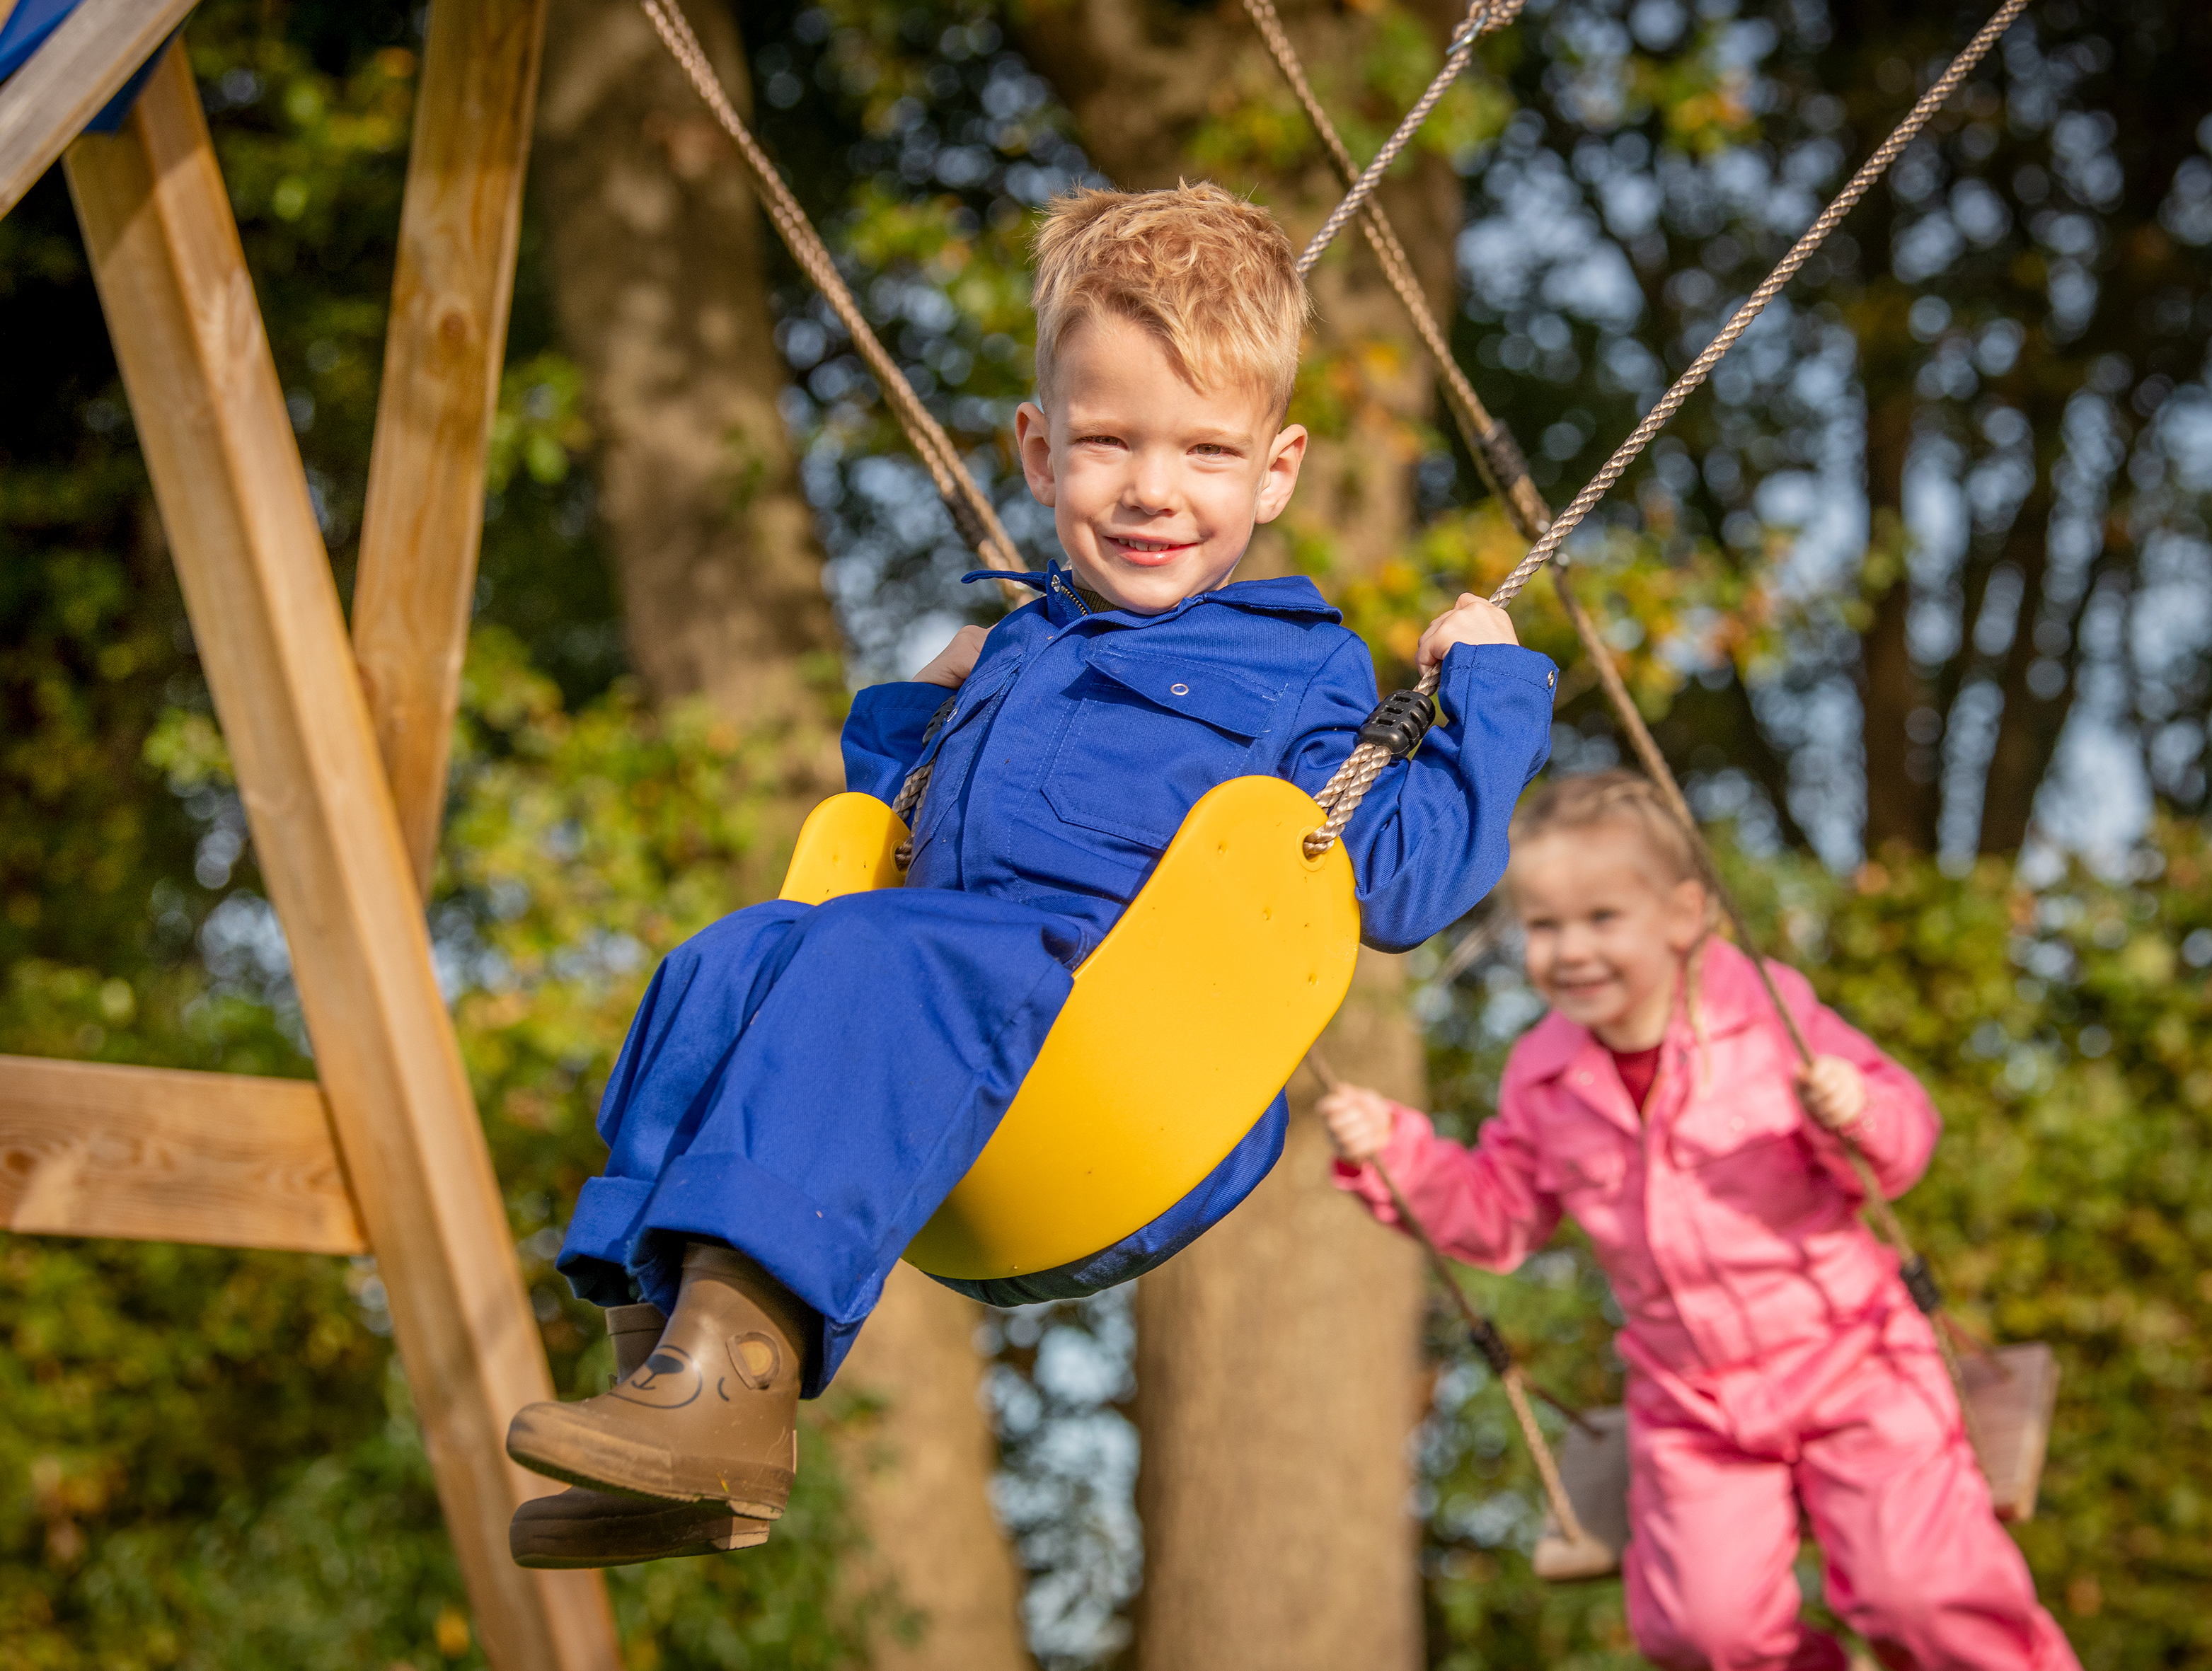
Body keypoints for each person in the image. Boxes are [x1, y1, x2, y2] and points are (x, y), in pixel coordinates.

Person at [504, 183, 1561, 1567]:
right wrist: (924, 700)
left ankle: (729, 1386)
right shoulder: (1019, 640)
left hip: (1117, 1057)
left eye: (1204, 450)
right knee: (734, 954)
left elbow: (1406, 882)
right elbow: (890, 823)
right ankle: (674, 1379)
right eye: (1108, 441)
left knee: (877, 952)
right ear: (1037, 446)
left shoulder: (1295, 667)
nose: (1151, 489)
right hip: (956, 1026)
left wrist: (1482, 687)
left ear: (1277, 470)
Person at [1320, 771, 2078, 1671]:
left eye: (1603, 918)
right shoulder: (1542, 1074)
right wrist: (1398, 1156)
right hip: (1695, 1402)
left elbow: (1900, 1145)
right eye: (1544, 926)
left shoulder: (1765, 1015)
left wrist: (1855, 1111)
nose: (1570, 950)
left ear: (1684, 915)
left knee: (1918, 1590)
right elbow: (1501, 1215)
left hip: (1854, 1362)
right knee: (1702, 1630)